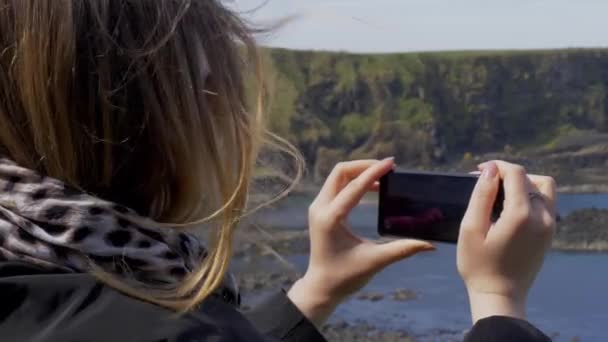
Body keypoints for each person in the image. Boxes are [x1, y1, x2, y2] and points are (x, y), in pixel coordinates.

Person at [0, 1, 554, 341]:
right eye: (217, 88)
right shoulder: (169, 326)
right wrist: (499, 301)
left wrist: (317, 288)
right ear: (151, 123)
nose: (236, 120)